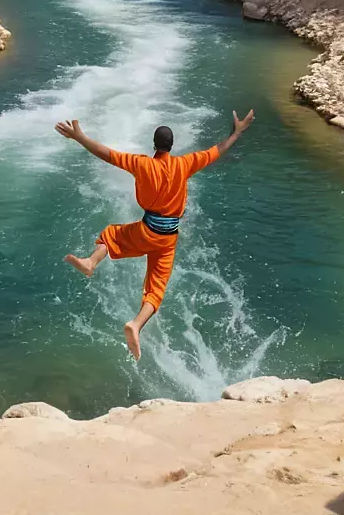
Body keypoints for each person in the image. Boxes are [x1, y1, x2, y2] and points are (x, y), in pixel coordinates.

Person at [55, 110, 255, 360]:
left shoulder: (142, 163)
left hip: (147, 229)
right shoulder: (185, 164)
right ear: (172, 146)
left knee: (111, 235)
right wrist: (237, 132)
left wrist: (80, 137)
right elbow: (218, 150)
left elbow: (106, 154)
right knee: (156, 287)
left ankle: (91, 262)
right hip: (168, 237)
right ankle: (136, 324)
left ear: (154, 145)